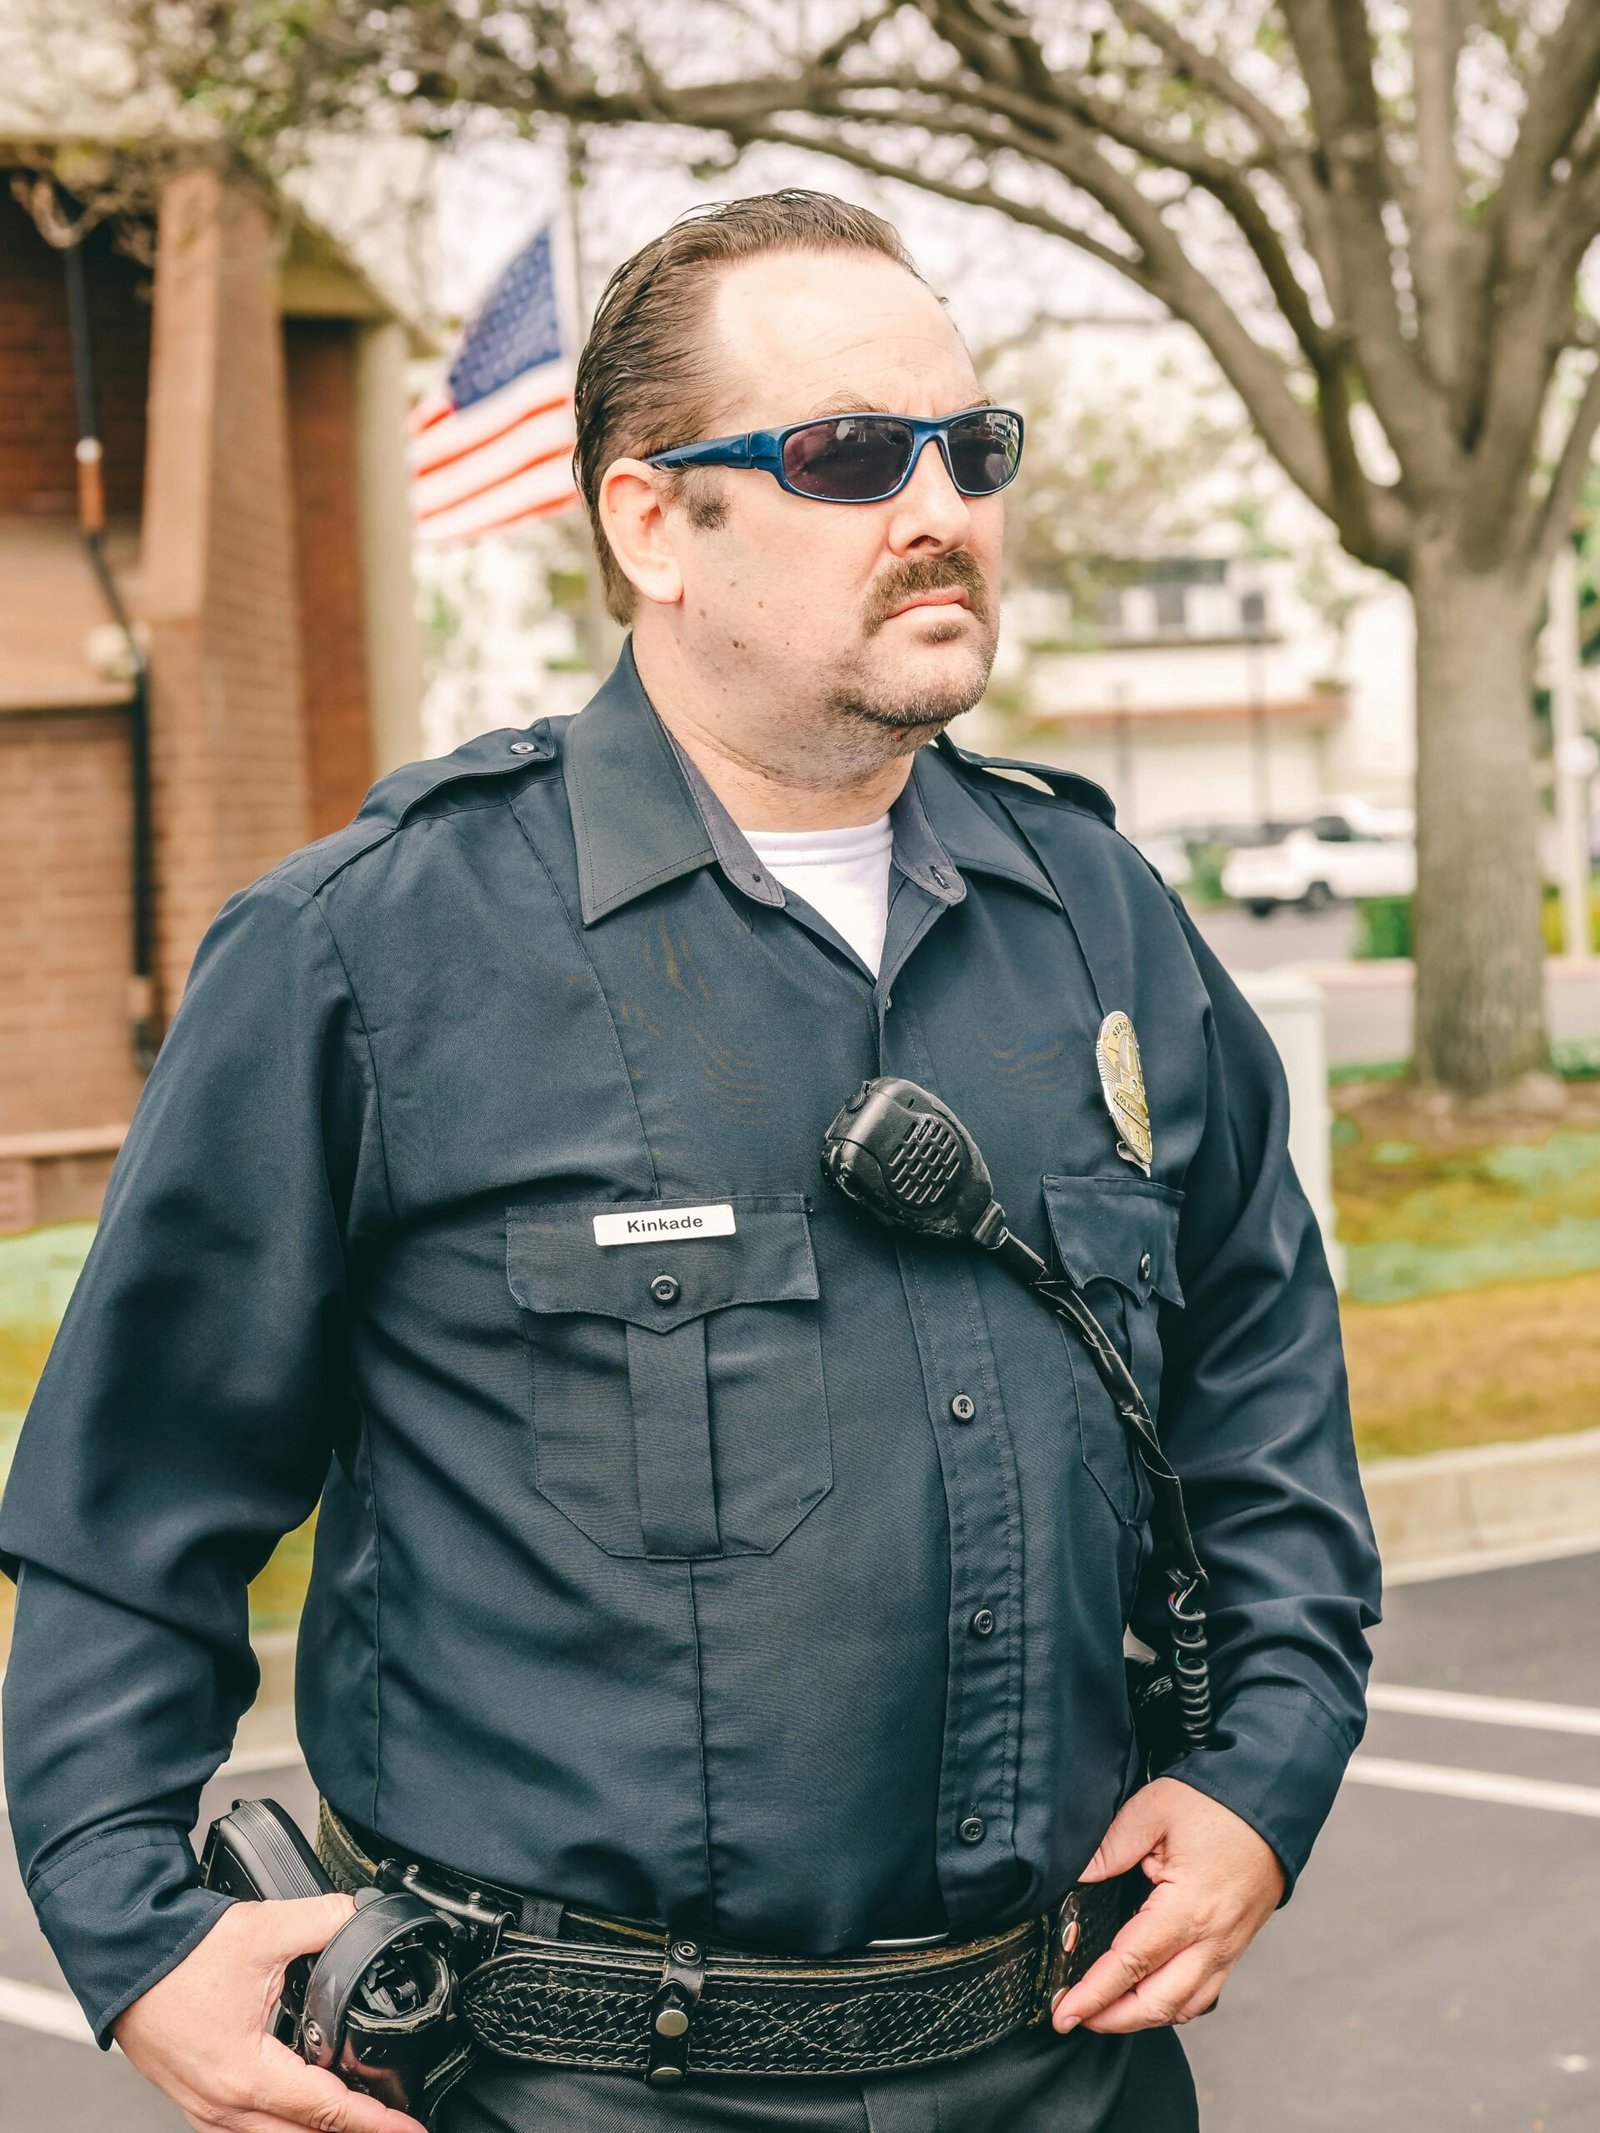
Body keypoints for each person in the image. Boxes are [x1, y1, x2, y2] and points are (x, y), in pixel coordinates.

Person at [1, 191, 1381, 2133]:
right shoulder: (370, 951)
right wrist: (134, 1930)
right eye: (843, 454)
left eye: (967, 449)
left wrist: (1265, 1768)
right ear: (652, 522)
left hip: (1061, 2063)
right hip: (565, 2089)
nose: (939, 506)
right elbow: (127, 1505)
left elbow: (1259, 1399)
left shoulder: (1099, 921)